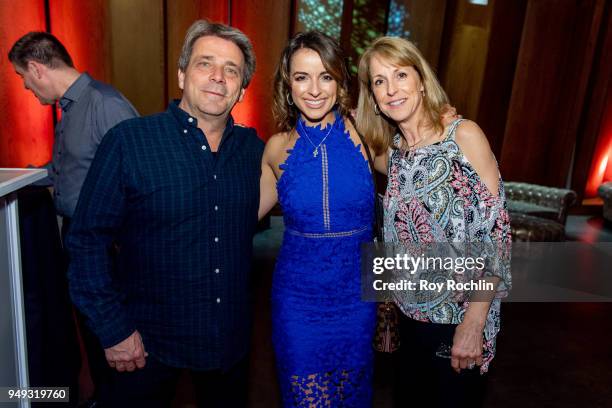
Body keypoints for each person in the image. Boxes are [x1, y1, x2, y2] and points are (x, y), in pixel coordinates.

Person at [66, 20, 263, 408]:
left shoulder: (252, 150)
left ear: (242, 89)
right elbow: (86, 242)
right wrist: (113, 328)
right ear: (181, 74)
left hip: (228, 344)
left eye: (232, 70)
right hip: (146, 344)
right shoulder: (129, 142)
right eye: (206, 63)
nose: (218, 77)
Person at [356, 36, 511, 407]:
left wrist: (473, 324)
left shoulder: (464, 137)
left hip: (458, 320)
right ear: (373, 97)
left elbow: (498, 235)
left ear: (421, 80)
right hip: (410, 325)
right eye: (379, 81)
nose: (391, 89)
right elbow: (354, 141)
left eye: (400, 75)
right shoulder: (394, 157)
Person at [8, 31, 138, 407]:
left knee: (114, 339)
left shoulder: (104, 103)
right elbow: (68, 169)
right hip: (81, 247)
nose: (27, 88)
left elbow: (137, 178)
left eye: (23, 78)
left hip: (107, 251)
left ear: (36, 68)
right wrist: (28, 176)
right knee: (95, 339)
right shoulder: (70, 108)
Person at [258, 31, 377, 407]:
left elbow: (418, 178)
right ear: (287, 83)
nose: (314, 89)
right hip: (298, 302)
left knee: (350, 396)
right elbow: (237, 217)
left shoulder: (369, 135)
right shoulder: (276, 147)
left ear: (340, 81)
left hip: (356, 300)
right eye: (301, 77)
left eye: (326, 76)